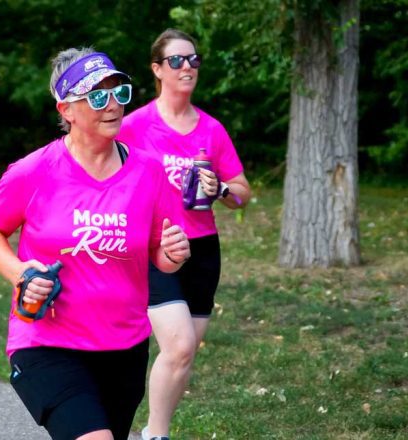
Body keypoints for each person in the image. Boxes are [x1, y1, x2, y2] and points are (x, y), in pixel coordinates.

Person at [0, 48, 191, 440]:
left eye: (117, 92)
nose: (112, 106)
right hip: (47, 342)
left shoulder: (149, 172)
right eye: (96, 96)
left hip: (124, 347)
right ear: (66, 109)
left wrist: (172, 255)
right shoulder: (33, 171)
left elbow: (160, 253)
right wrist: (19, 272)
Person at [117, 29, 252, 440]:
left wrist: (222, 190)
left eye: (193, 60)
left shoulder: (211, 130)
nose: (187, 67)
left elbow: (243, 192)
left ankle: (153, 428)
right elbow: (105, 176)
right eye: (177, 60)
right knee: (178, 348)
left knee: (183, 353)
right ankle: (155, 435)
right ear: (157, 69)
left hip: (203, 249)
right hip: (155, 245)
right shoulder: (134, 126)